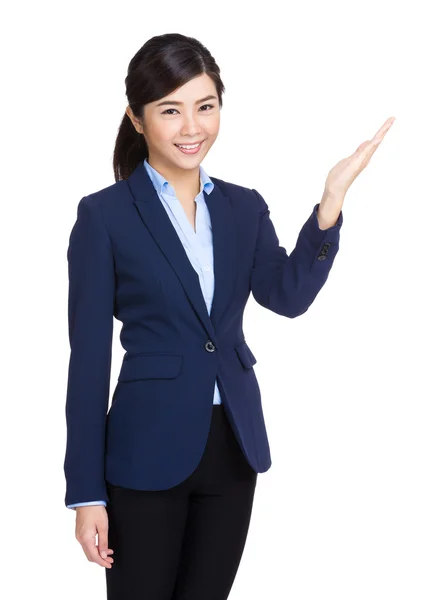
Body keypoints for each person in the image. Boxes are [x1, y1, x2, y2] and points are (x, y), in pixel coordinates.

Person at [63, 32, 395, 600]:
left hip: (232, 447)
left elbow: (286, 295)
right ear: (138, 119)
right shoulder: (105, 216)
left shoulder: (243, 206)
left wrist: (331, 201)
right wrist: (85, 492)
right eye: (170, 110)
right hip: (145, 449)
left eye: (205, 106)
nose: (192, 127)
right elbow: (88, 362)